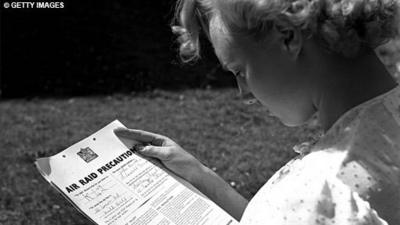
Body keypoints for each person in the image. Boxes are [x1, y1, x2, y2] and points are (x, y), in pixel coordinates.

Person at [114, 0, 400, 224]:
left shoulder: (318, 191)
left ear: (288, 37)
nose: (244, 93)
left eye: (240, 70)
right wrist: (199, 175)